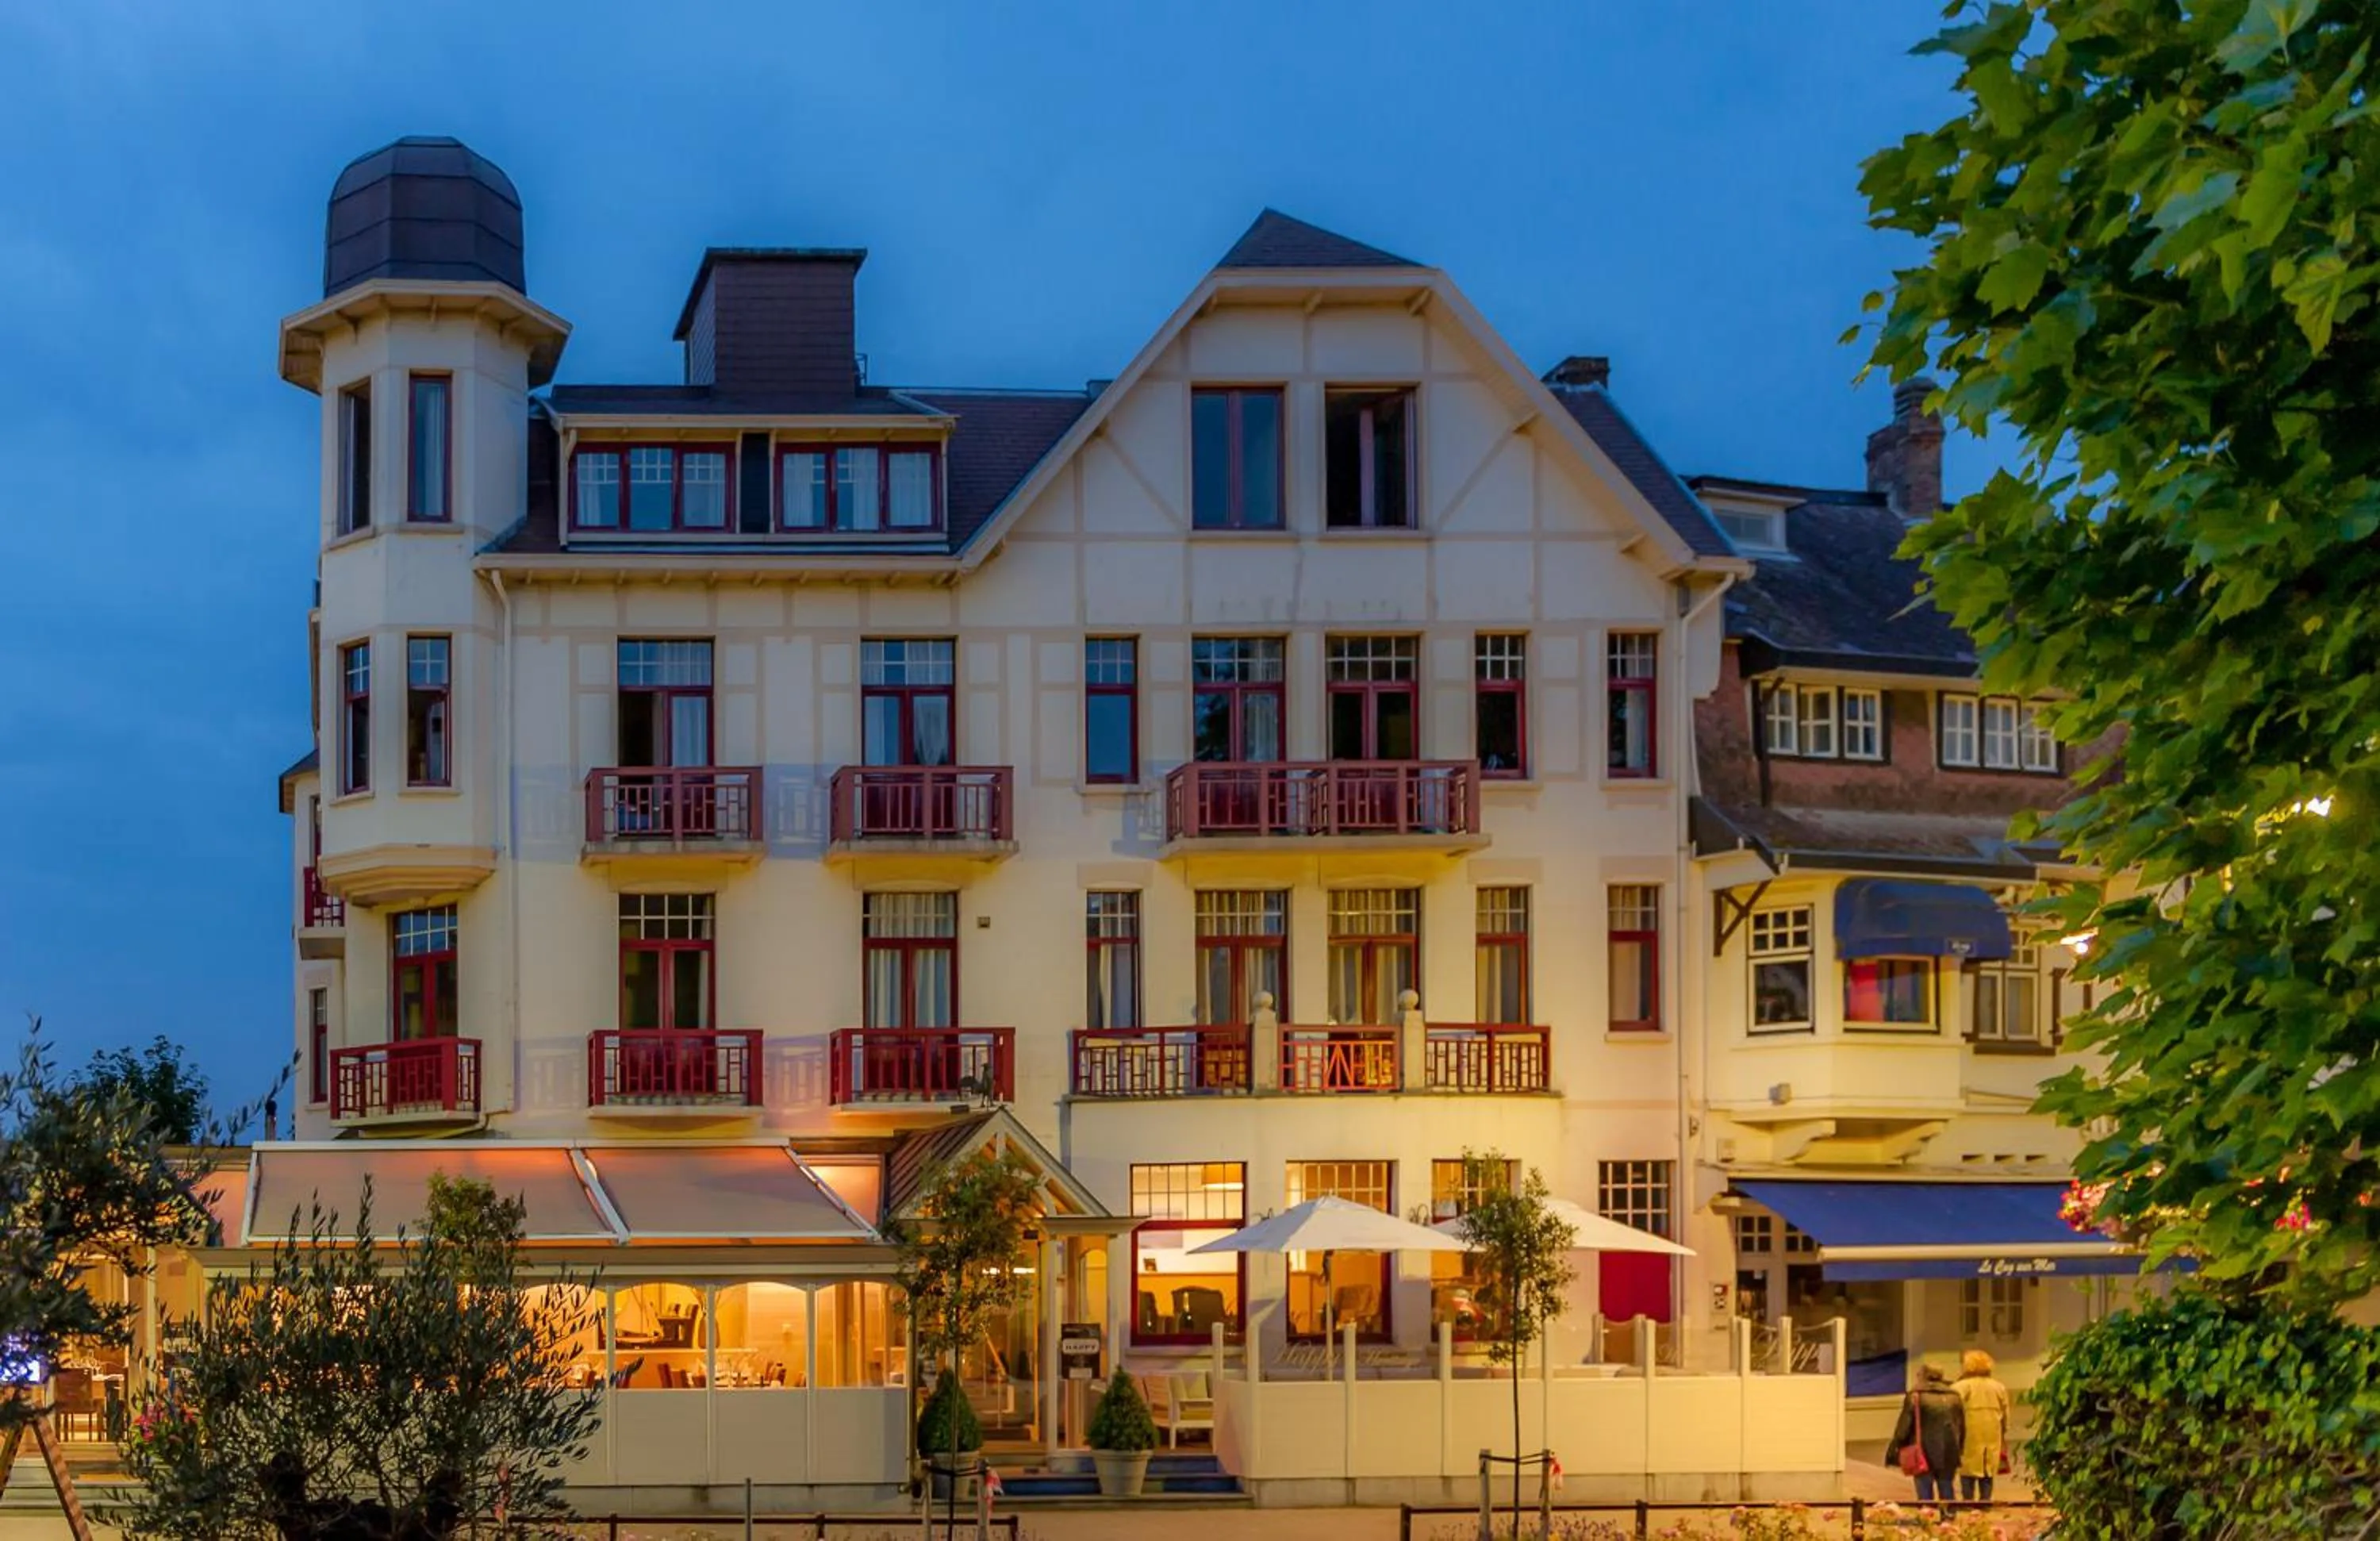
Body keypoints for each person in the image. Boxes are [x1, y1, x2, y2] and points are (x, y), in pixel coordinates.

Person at [1883, 1362, 1966, 1504]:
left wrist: (1895, 1447)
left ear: (1923, 1376)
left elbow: (1904, 1427)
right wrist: (1960, 1448)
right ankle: (1948, 1518)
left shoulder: (1916, 1396)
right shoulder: (1954, 1396)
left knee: (1924, 1489)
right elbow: (1962, 1426)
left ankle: (1927, 1517)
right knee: (1946, 1486)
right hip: (1949, 1449)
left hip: (1922, 1450)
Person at [1953, 1347, 2014, 1503]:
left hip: (1968, 1432)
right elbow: (2006, 1414)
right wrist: (2004, 1430)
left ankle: (1968, 1500)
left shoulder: (1960, 1387)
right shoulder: (1998, 1387)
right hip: (1992, 1432)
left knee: (1967, 1468)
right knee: (1988, 1467)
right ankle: (1985, 1500)